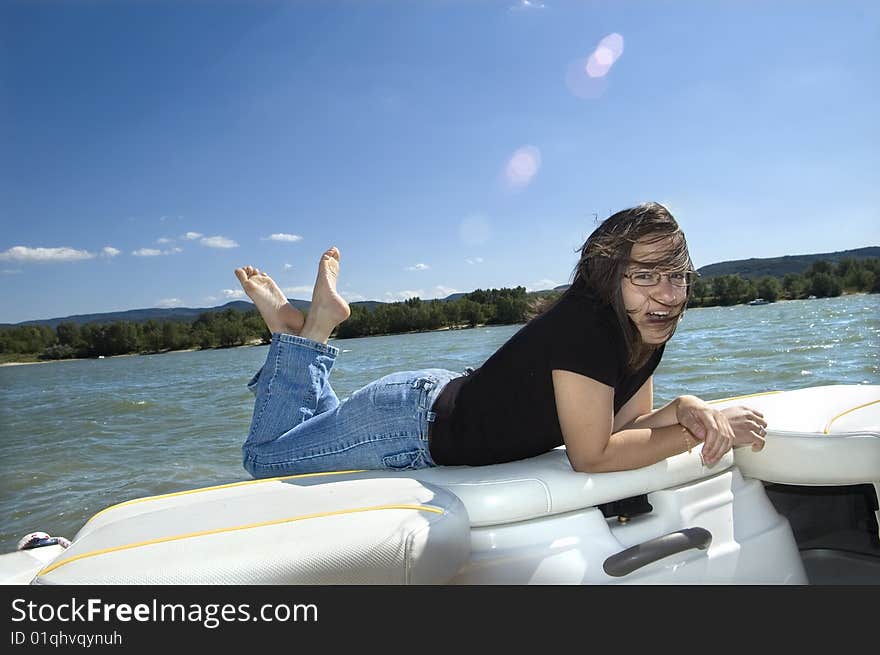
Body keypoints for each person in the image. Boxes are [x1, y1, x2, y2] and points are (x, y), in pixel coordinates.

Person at [236, 202, 767, 479]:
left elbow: (624, 429)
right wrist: (700, 435)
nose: (668, 294)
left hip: (433, 401)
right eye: (645, 276)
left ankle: (295, 336)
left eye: (675, 276)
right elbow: (594, 456)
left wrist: (688, 408)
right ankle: (311, 334)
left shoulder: (640, 328)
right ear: (609, 275)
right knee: (265, 459)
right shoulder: (589, 328)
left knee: (303, 433)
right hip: (408, 428)